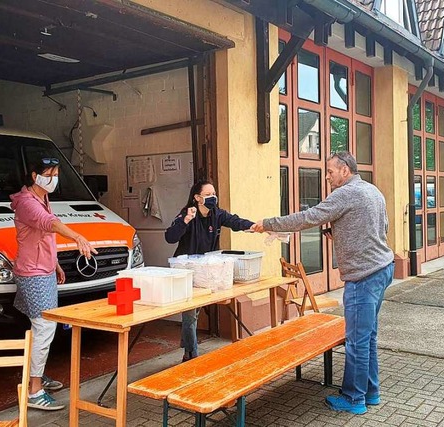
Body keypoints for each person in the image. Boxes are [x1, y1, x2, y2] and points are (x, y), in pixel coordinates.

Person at [251, 152, 394, 415]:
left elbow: (308, 218)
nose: (326, 176)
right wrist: (342, 236)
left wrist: (268, 224)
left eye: (330, 171)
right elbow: (380, 227)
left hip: (363, 276)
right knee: (368, 336)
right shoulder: (373, 190)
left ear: (345, 170)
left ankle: (354, 398)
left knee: (357, 341)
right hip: (383, 268)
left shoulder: (345, 194)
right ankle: (370, 392)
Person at [10, 157, 97, 411]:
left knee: (41, 327)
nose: (54, 178)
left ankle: (34, 376)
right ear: (35, 176)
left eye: (57, 173)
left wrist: (55, 262)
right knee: (45, 326)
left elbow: (43, 236)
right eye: (50, 173)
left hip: (43, 270)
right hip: (33, 273)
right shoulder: (27, 203)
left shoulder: (41, 198)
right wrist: (77, 236)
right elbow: (50, 224)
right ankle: (34, 391)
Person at [165, 180, 254, 362]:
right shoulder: (188, 213)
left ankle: (188, 348)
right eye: (208, 195)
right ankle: (191, 354)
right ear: (197, 198)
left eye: (214, 194)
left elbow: (235, 221)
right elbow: (170, 237)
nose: (213, 197)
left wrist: (255, 226)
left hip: (208, 270)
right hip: (186, 270)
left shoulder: (217, 214)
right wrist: (185, 221)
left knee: (195, 313)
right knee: (190, 312)